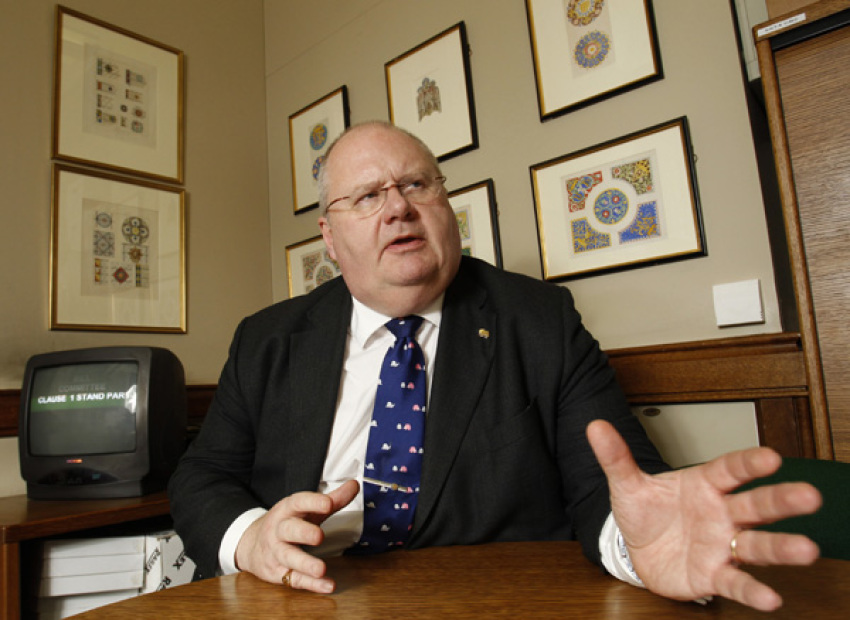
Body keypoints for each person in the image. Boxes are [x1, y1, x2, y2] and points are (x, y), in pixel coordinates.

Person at [168, 121, 821, 612]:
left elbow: (614, 486)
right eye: (366, 196)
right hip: (301, 599)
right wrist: (250, 538)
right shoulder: (268, 338)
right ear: (331, 239)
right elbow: (205, 475)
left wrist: (634, 544)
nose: (398, 206)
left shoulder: (539, 319)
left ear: (446, 206)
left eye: (416, 183)